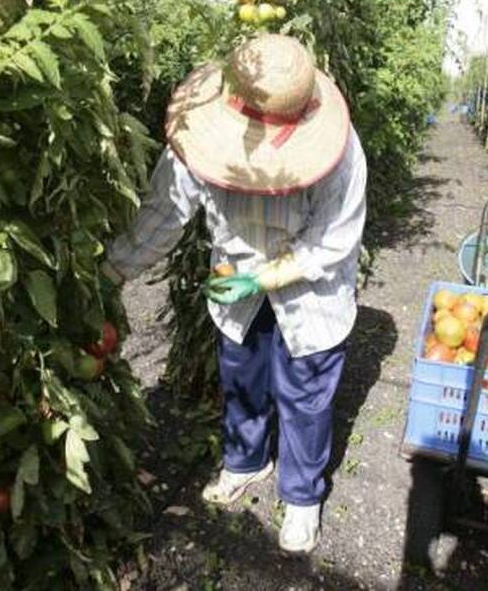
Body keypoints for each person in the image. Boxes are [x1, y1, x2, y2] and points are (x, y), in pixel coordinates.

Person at [102, 33, 367, 553]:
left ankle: (302, 496)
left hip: (310, 288)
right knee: (241, 372)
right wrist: (111, 273)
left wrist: (264, 278)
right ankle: (246, 461)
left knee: (305, 391)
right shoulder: (202, 137)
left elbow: (333, 240)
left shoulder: (340, 152)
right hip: (235, 272)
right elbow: (165, 213)